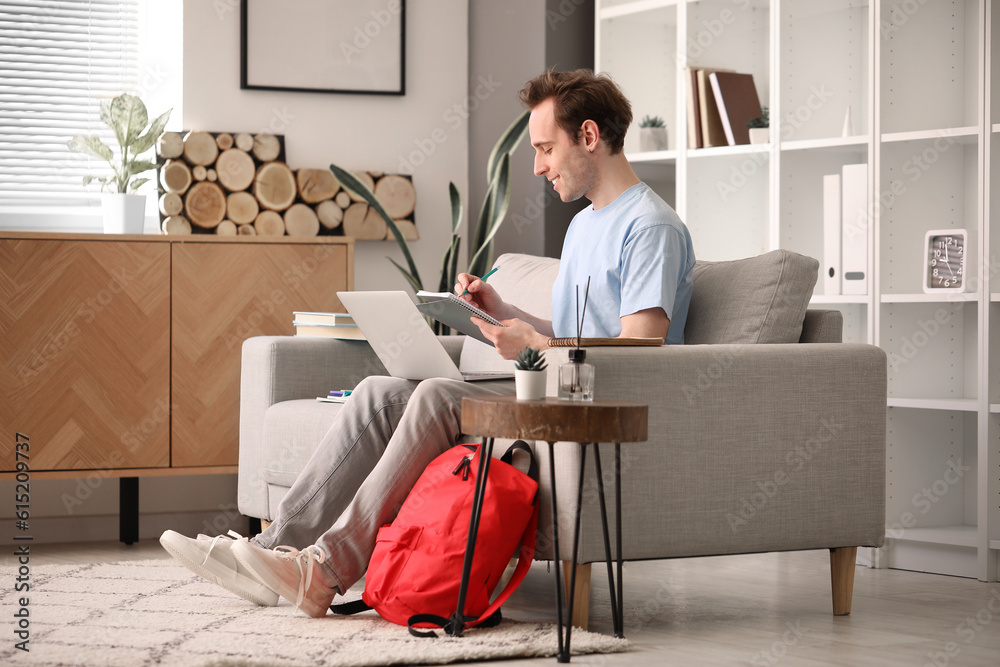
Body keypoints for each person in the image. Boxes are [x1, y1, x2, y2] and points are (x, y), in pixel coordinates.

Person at [160, 69, 695, 618]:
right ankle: (267, 552)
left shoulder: (650, 226)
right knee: (379, 392)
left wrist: (534, 341)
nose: (537, 166)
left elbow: (639, 350)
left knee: (440, 395)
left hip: (591, 407)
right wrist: (501, 313)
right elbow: (574, 330)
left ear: (587, 136)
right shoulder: (584, 225)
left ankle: (323, 571)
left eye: (545, 148)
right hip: (553, 388)